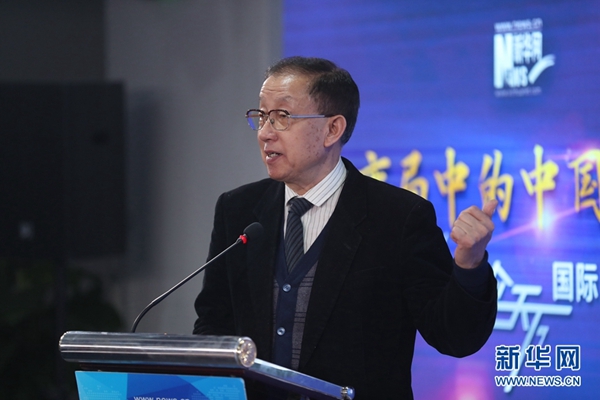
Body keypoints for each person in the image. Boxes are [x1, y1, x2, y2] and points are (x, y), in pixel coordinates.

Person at [193, 56, 498, 399]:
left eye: (282, 116)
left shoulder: (399, 217)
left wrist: (469, 265)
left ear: (333, 129)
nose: (265, 132)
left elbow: (454, 337)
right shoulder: (238, 210)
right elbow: (213, 325)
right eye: (261, 116)